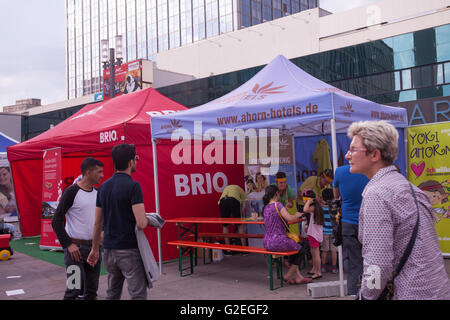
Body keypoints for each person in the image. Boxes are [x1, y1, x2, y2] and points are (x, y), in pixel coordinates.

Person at [346, 120, 450, 300]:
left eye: (353, 149)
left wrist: (366, 296)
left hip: (410, 293)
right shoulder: (410, 188)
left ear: (374, 155)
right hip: (438, 290)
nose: (348, 155)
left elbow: (377, 266)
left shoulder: (377, 194)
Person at [87, 143, 150, 300]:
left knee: (112, 294)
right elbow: (141, 223)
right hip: (128, 250)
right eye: (136, 158)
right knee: (138, 295)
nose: (137, 161)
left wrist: (94, 249)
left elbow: (97, 223)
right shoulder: (133, 186)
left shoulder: (103, 187)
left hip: (109, 250)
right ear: (130, 162)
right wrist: (151, 219)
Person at [51, 157, 104, 300]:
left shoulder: (99, 193)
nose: (102, 175)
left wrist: (101, 235)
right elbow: (56, 220)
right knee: (73, 290)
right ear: (88, 172)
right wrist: (68, 245)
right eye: (99, 172)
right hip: (75, 252)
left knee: (91, 292)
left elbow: (100, 219)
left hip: (94, 250)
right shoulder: (71, 192)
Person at [262, 185, 312, 285]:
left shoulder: (265, 207)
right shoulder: (278, 205)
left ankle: (298, 277)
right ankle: (288, 275)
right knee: (300, 249)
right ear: (276, 194)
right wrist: (298, 214)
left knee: (295, 247)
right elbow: (290, 218)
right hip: (278, 241)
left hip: (267, 242)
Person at [332, 164, 369, 296]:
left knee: (353, 260)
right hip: (369, 221)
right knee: (372, 261)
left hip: (347, 222)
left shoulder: (340, 172)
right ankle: (371, 292)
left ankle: (353, 292)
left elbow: (336, 196)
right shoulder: (368, 169)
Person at [302, 189, 324, 280]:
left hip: (315, 235)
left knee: (316, 253)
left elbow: (305, 209)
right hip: (312, 233)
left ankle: (318, 272)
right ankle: (315, 269)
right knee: (313, 252)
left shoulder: (314, 207)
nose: (304, 201)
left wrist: (309, 201)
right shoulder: (314, 207)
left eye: (305, 199)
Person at [218, 185, 247, 253]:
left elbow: (219, 203)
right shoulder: (242, 191)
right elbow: (243, 206)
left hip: (222, 201)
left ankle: (228, 249)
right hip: (233, 200)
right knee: (240, 225)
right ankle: (244, 249)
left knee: (225, 226)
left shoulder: (227, 188)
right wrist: (241, 217)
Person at [320, 188, 338, 274]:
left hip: (324, 232)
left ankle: (323, 267)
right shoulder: (334, 208)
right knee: (334, 251)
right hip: (334, 232)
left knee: (324, 250)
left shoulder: (321, 208)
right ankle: (334, 268)